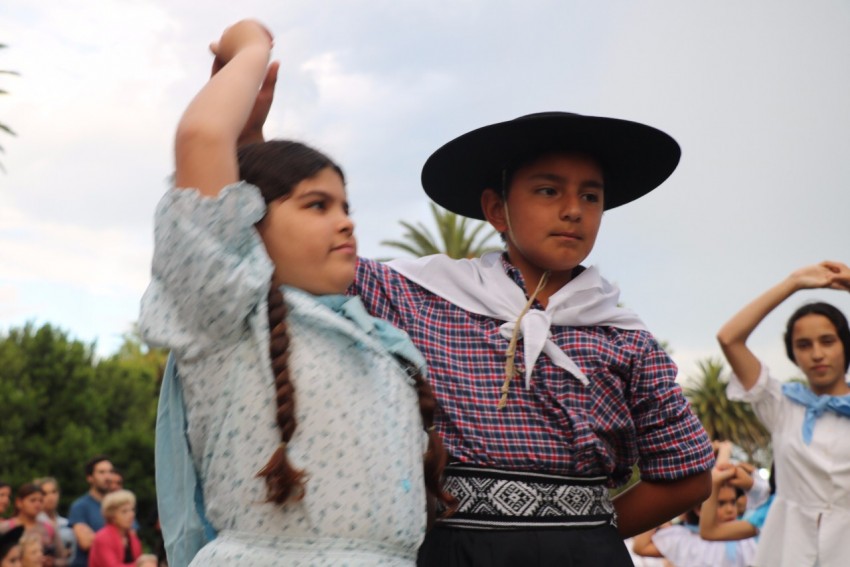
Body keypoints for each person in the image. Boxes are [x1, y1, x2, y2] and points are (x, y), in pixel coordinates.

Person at [140, 19, 448, 567]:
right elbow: (202, 139)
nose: (346, 222)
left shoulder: (380, 341)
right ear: (247, 226)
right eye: (317, 205)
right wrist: (250, 45)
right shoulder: (225, 315)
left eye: (346, 207)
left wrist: (250, 141)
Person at [717, 260, 850, 567]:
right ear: (793, 354)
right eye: (803, 345)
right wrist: (794, 282)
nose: (817, 354)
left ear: (845, 345)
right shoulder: (781, 405)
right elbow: (729, 338)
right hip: (787, 552)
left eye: (827, 341)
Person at [68, 455, 114, 567]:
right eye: (102, 472)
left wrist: (97, 538)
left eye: (110, 472)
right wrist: (116, 540)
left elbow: (131, 540)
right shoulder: (80, 506)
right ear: (90, 478)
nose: (107, 477)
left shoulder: (119, 505)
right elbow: (86, 542)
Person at [0, 483, 56, 565]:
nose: (37, 504)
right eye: (32, 500)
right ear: (19, 502)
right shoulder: (5, 527)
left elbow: (63, 558)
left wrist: (53, 562)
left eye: (41, 501)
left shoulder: (49, 527)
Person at [88, 490, 142, 567]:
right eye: (124, 511)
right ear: (112, 516)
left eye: (132, 510)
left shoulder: (133, 538)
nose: (131, 514)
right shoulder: (102, 538)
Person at [35, 477, 72, 565]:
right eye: (45, 493)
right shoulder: (35, 522)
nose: (51, 497)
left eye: (54, 492)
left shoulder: (66, 523)